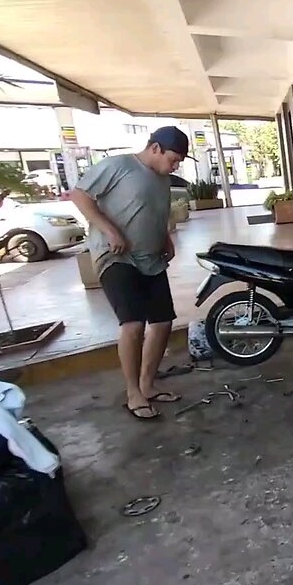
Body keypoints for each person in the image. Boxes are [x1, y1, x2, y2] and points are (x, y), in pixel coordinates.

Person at [69, 126, 190, 420]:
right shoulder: (118, 165)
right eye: (173, 159)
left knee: (162, 323)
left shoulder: (162, 180)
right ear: (155, 148)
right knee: (133, 324)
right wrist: (110, 231)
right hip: (116, 257)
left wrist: (166, 239)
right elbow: (79, 195)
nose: (174, 166)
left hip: (151, 259)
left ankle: (148, 385)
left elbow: (154, 213)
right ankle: (133, 392)